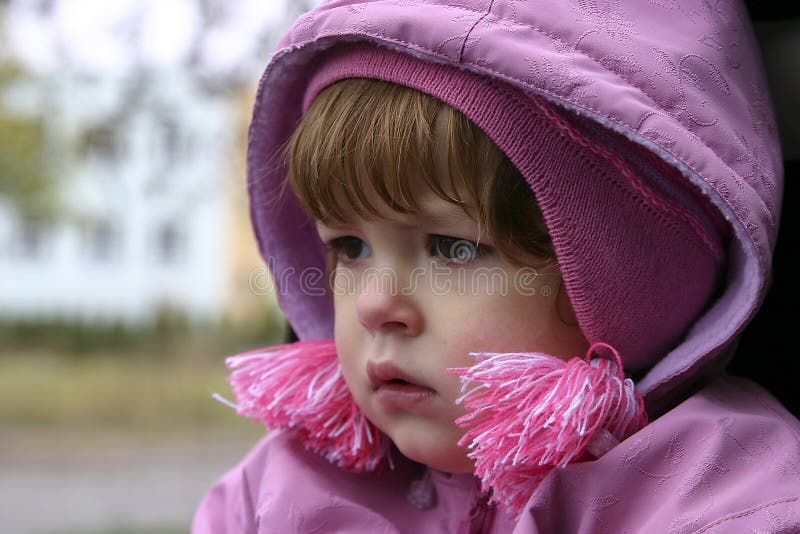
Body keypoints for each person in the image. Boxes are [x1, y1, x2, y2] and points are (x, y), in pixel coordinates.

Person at [193, 1, 800, 532]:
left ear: (627, 281)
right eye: (349, 248)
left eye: (452, 248)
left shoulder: (724, 497)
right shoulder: (275, 497)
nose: (375, 306)